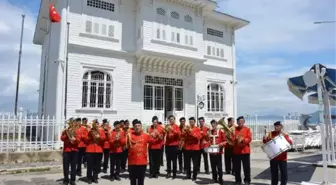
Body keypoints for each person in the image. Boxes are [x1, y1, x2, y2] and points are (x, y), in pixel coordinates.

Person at [126, 119, 152, 185]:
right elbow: (123, 144)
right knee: (133, 181)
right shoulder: (129, 136)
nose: (137, 127)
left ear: (141, 127)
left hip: (142, 162)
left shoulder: (146, 135)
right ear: (133, 127)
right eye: (135, 126)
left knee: (141, 181)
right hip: (132, 162)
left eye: (139, 126)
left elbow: (153, 142)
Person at [83, 119, 106, 184]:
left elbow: (104, 138)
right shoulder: (89, 130)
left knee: (97, 165)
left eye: (97, 124)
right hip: (90, 150)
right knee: (90, 165)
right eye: (95, 124)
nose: (96, 125)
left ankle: (95, 177)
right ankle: (89, 178)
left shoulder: (101, 130)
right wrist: (90, 136)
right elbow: (85, 139)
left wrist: (99, 137)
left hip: (98, 150)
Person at [61, 118, 81, 185]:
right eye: (72, 123)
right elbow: (62, 138)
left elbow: (79, 140)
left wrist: (75, 139)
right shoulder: (66, 130)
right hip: (67, 150)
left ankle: (72, 180)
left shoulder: (77, 131)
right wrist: (66, 134)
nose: (73, 124)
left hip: (74, 150)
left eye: (74, 123)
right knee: (66, 166)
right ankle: (66, 180)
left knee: (73, 166)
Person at [233, 116, 252, 185]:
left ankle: (247, 180)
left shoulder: (247, 129)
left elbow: (249, 139)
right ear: (237, 122)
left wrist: (243, 139)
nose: (240, 122)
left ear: (244, 122)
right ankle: (238, 180)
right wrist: (235, 138)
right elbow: (231, 139)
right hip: (237, 151)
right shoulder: (234, 129)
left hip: (245, 151)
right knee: (237, 167)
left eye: (242, 121)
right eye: (239, 121)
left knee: (246, 167)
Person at [209, 119, 226, 184]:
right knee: (213, 166)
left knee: (219, 166)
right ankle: (214, 178)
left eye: (214, 124)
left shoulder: (221, 131)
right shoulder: (210, 132)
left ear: (216, 124)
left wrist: (221, 144)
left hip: (218, 151)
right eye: (212, 124)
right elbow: (208, 141)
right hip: (211, 151)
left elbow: (225, 141)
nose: (213, 125)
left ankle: (220, 178)